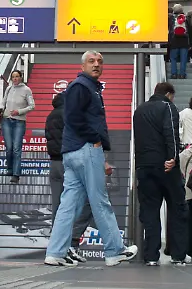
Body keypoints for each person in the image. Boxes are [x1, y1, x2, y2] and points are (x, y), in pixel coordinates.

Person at [44, 51, 138, 267]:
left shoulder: (84, 87)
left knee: (67, 204)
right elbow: (73, 117)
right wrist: (94, 139)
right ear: (83, 65)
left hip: (73, 152)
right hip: (85, 149)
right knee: (100, 200)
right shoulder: (81, 86)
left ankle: (56, 252)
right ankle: (115, 250)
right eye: (91, 61)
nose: (96, 65)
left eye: (100, 62)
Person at [132, 82, 188, 266]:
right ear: (169, 94)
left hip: (144, 167)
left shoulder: (139, 111)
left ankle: (151, 256)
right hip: (165, 166)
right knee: (177, 208)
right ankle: (178, 255)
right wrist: (172, 157)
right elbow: (171, 133)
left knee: (149, 212)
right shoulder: (168, 107)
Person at [45, 93, 93, 264]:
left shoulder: (51, 115)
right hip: (68, 163)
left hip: (54, 164)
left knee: (58, 206)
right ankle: (70, 244)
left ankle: (56, 248)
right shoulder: (69, 114)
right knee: (82, 202)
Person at [0, 70, 34, 183]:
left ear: (21, 77)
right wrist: (0, 108)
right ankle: (9, 168)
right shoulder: (9, 88)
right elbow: (3, 102)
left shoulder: (26, 90)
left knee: (17, 148)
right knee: (9, 148)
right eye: (13, 77)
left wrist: (19, 111)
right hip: (6, 120)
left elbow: (32, 106)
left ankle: (16, 174)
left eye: (17, 76)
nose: (15, 79)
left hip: (19, 121)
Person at [167, 4, 191, 79]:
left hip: (174, 41)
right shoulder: (186, 18)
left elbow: (168, 28)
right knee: (183, 59)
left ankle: (174, 74)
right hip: (184, 41)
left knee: (173, 59)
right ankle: (182, 74)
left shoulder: (171, 18)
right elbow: (190, 30)